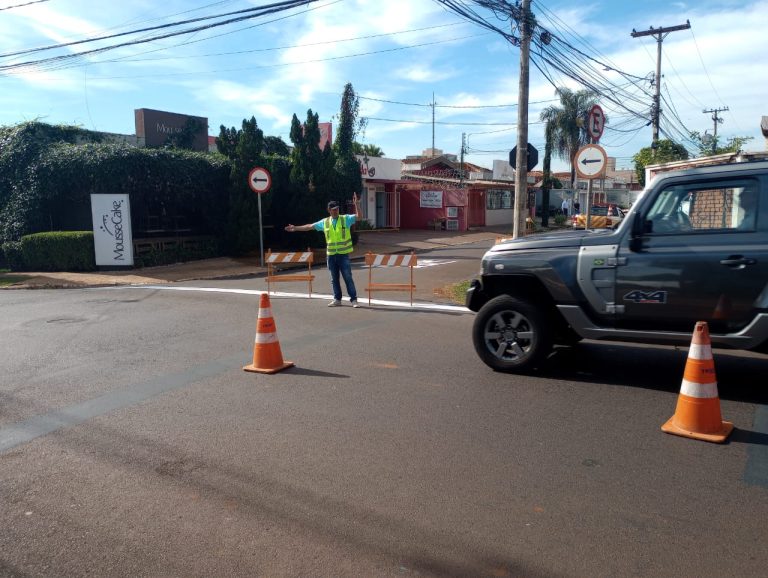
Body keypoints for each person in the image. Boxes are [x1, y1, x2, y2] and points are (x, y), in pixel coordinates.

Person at [285, 194, 360, 307]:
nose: (336, 211)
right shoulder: (325, 222)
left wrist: (356, 204)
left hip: (343, 255)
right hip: (331, 255)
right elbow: (310, 226)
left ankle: (353, 300)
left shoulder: (345, 219)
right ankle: (337, 299)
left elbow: (359, 217)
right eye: (333, 210)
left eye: (337, 209)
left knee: (348, 277)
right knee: (334, 279)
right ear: (329, 210)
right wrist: (295, 228)